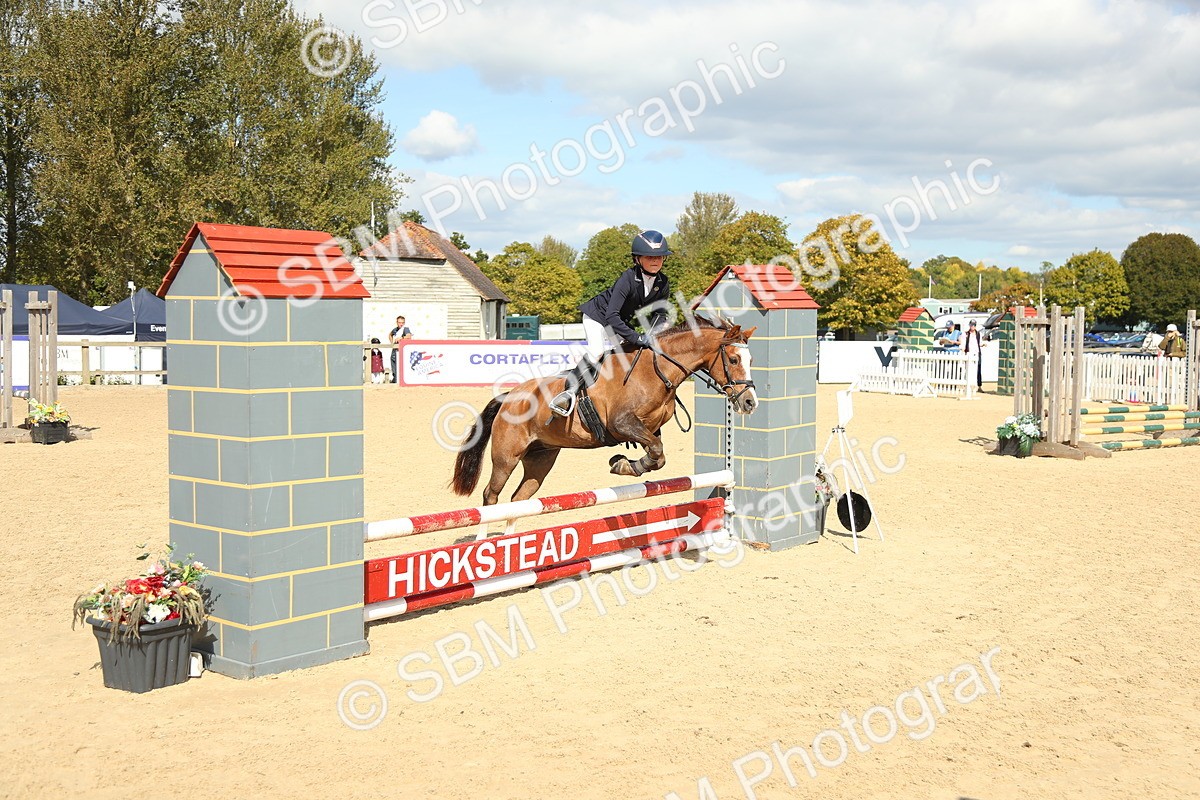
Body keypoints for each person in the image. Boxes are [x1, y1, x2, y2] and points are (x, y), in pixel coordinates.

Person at [549, 229, 673, 416]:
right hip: (598, 317)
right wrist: (637, 336)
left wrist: (654, 332)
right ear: (637, 258)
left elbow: (661, 313)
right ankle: (567, 393)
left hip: (618, 321)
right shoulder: (628, 279)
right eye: (649, 257)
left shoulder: (663, 282)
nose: (656, 261)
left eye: (660, 257)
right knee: (598, 350)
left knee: (634, 353)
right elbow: (611, 316)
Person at [961, 319, 984, 390]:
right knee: (967, 369)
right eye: (971, 325)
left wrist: (983, 344)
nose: (972, 326)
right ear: (969, 325)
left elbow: (980, 343)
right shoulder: (966, 334)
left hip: (977, 353)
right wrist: (963, 349)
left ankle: (979, 386)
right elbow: (963, 343)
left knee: (978, 369)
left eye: (974, 325)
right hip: (969, 353)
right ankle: (966, 385)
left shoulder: (978, 334)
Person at [389, 315, 413, 383]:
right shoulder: (395, 329)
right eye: (399, 322)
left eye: (402, 322)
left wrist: (401, 338)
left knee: (400, 367)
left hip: (401, 351)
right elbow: (390, 335)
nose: (401, 324)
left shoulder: (405, 329)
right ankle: (395, 379)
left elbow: (409, 336)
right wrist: (392, 343)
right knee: (394, 366)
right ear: (397, 322)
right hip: (394, 350)